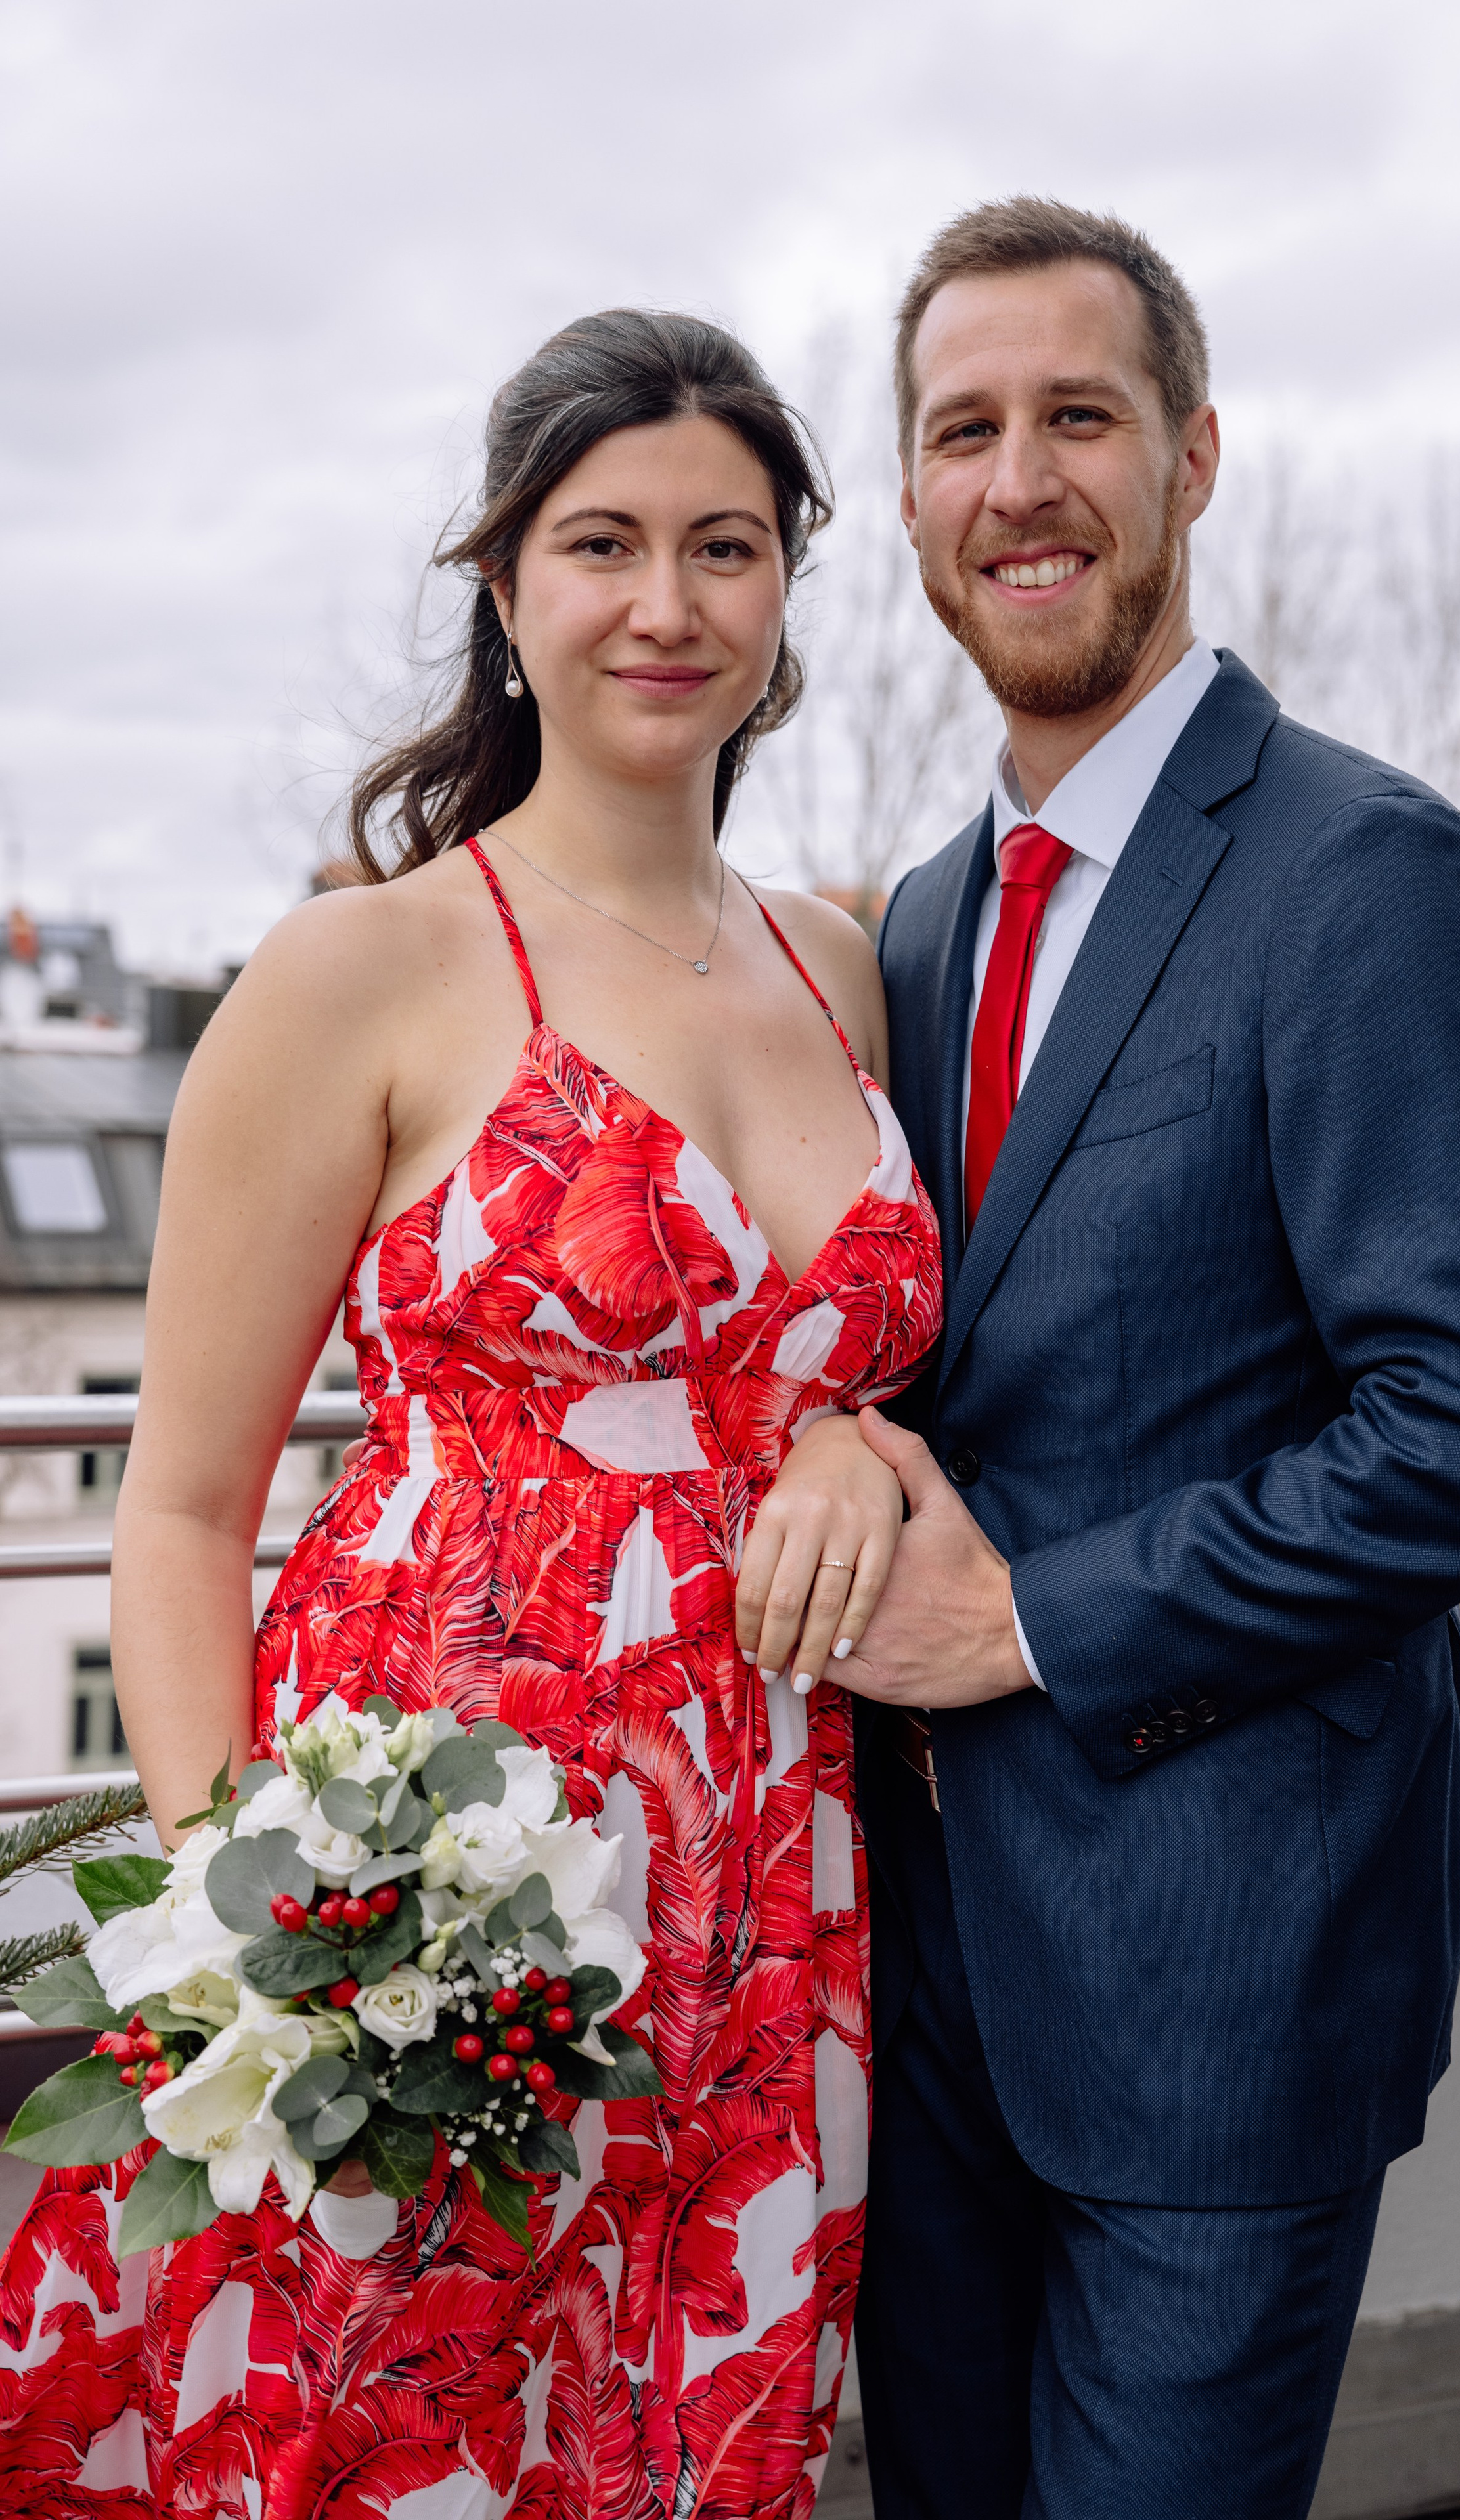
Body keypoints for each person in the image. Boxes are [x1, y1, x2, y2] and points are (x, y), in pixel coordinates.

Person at [0, 310, 941, 2517]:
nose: (666, 602)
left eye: (727, 545)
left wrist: (866, 1437)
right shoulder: (366, 968)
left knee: (696, 2430)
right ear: (506, 588)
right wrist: (273, 1933)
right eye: (601, 542)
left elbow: (871, 1366)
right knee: (406, 2436)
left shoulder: (848, 964)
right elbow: (182, 1510)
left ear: (791, 586)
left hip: (779, 1859)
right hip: (445, 1882)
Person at [824, 200, 1460, 2519]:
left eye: (1081, 414)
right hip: (925, 1970)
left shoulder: (1372, 874)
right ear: (910, 507)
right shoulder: (931, 917)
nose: (1020, 479)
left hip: (1219, 1983)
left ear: (1194, 460)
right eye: (965, 430)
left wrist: (1032, 1618)